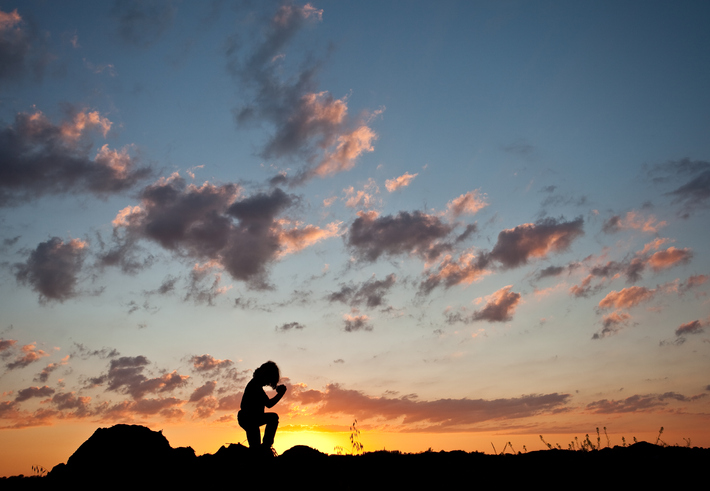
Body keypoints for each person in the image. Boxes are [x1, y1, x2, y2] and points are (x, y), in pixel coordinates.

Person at [238, 361, 287, 452]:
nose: (268, 383)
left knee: (255, 447)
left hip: (251, 419)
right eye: (269, 379)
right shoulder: (255, 386)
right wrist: (281, 394)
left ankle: (264, 448)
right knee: (273, 418)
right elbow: (269, 404)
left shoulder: (255, 385)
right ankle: (265, 447)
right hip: (249, 419)